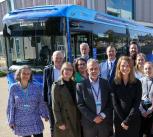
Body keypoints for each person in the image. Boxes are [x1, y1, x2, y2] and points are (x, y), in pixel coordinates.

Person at [7, 65, 49, 137]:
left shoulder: (37, 87)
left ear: (30, 75)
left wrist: (45, 114)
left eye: (28, 74)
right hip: (21, 121)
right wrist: (11, 120)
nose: (26, 75)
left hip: (35, 119)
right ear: (19, 74)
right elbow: (11, 105)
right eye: (24, 73)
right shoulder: (13, 88)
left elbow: (41, 102)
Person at [77, 59, 113, 137]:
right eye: (91, 69)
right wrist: (93, 117)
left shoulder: (105, 83)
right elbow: (80, 104)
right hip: (89, 123)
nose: (94, 71)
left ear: (99, 69)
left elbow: (110, 102)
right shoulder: (81, 85)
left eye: (96, 68)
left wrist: (103, 115)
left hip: (104, 122)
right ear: (87, 70)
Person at [111, 56, 142, 137]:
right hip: (119, 121)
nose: (125, 68)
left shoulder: (137, 83)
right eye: (123, 66)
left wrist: (127, 121)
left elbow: (137, 103)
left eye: (128, 65)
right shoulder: (114, 82)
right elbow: (115, 103)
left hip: (133, 119)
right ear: (119, 67)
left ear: (131, 67)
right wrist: (123, 121)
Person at [51, 62, 81, 137]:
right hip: (64, 119)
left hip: (75, 117)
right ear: (62, 70)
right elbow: (55, 106)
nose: (68, 71)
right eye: (66, 69)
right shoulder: (56, 85)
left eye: (70, 69)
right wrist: (59, 122)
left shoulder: (75, 84)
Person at [43, 51, 64, 137]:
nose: (58, 60)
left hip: (65, 102)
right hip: (52, 102)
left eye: (60, 58)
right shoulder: (47, 70)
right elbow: (45, 87)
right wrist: (45, 102)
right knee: (53, 125)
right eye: (56, 58)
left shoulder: (67, 68)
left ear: (63, 59)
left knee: (65, 123)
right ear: (52, 59)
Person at [139, 62, 153, 137]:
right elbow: (137, 97)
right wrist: (142, 110)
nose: (148, 70)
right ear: (143, 70)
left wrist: (150, 110)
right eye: (146, 69)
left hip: (152, 110)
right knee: (141, 131)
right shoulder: (140, 81)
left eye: (150, 68)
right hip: (141, 109)